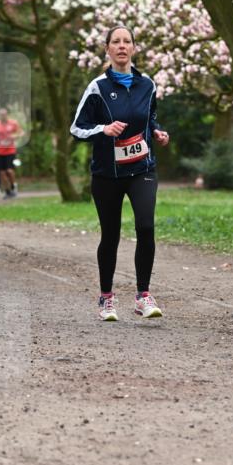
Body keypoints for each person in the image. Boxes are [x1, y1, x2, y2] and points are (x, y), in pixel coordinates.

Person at [70, 24, 170, 321]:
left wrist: (158, 132)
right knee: (110, 235)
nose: (122, 46)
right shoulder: (97, 88)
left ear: (134, 48)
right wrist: (104, 129)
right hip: (107, 174)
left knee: (146, 227)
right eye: (116, 42)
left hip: (142, 168)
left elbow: (150, 117)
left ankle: (143, 296)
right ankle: (106, 298)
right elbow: (77, 128)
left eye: (127, 41)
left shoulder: (147, 85)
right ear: (108, 49)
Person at [0, 107, 23, 198]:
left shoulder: (13, 123)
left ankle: (13, 185)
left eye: (4, 114)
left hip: (10, 150)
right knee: (2, 173)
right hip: (0, 151)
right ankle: (8, 192)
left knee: (10, 171)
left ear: (7, 114)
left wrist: (13, 136)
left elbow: (21, 133)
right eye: (1, 114)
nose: (3, 116)